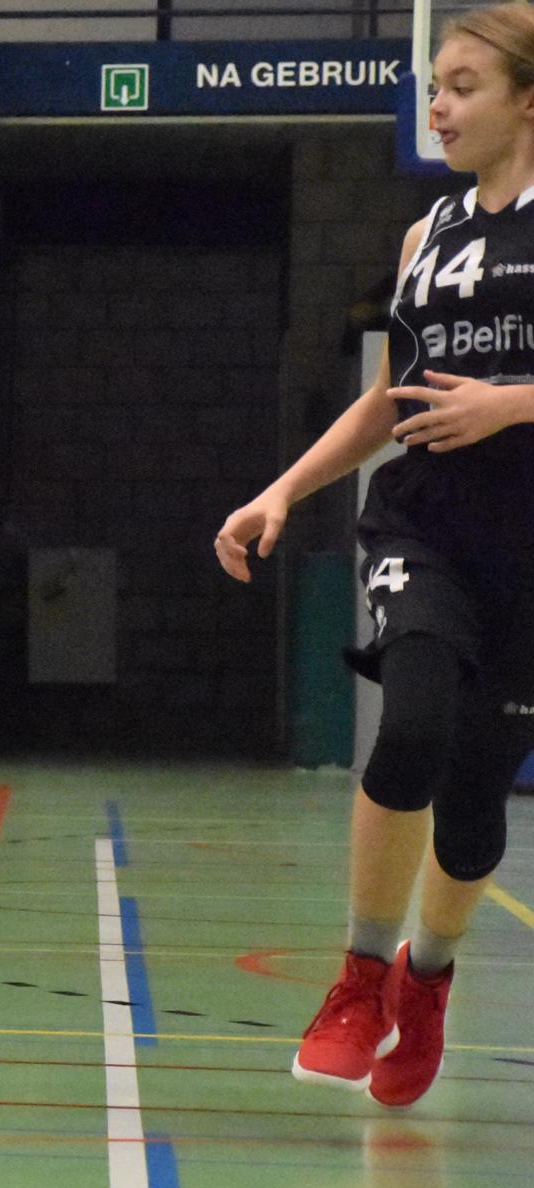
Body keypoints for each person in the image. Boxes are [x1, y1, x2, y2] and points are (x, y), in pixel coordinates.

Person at [214, 3, 534, 1107]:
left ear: (526, 100)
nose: (436, 106)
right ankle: (357, 979)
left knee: (476, 800)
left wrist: (510, 403)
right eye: (432, 85)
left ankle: (426, 978)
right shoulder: (424, 236)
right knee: (411, 724)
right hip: (425, 524)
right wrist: (280, 489)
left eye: (461, 87)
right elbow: (387, 399)